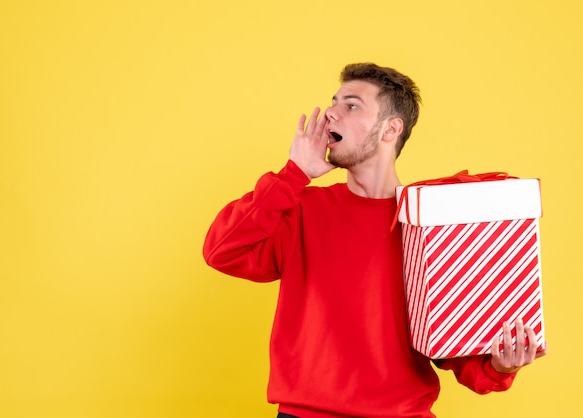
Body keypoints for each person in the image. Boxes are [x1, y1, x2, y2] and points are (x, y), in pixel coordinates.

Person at [202, 62, 547, 418]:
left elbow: (461, 354)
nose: (330, 114)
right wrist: (294, 174)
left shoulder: (432, 220)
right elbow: (221, 251)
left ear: (390, 128)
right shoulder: (301, 208)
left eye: (350, 105)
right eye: (333, 102)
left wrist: (501, 367)